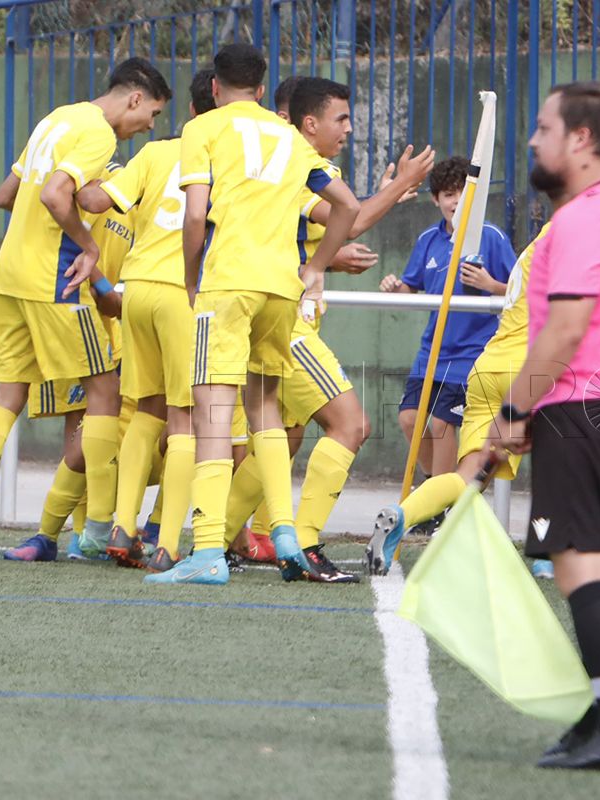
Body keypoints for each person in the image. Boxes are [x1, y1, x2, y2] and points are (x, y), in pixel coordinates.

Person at [367, 182, 600, 578]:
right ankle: (555, 552)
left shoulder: (539, 246)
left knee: (469, 474)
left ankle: (401, 514)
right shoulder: (569, 236)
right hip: (532, 368)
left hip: (489, 366)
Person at [488, 81, 600, 770]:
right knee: (597, 572)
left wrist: (514, 410)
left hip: (585, 410)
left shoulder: (586, 217)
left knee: (582, 568)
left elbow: (564, 329)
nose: (533, 140)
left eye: (543, 126)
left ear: (580, 140)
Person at [0, 58, 170, 558]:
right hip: (54, 280)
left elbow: (10, 194)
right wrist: (87, 245)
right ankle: (96, 529)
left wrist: (48, 221)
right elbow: (54, 194)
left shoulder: (56, 118)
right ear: (134, 98)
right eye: (151, 113)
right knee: (105, 390)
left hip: (10, 275)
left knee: (8, 394)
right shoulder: (98, 133)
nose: (149, 126)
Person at [152, 44, 358, 586]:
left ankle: (206, 553)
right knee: (265, 406)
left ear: (215, 88)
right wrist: (314, 267)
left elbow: (196, 213)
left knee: (213, 413)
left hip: (229, 283)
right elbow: (349, 205)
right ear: (264, 90)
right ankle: (286, 533)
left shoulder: (206, 129)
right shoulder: (288, 135)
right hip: (280, 289)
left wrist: (192, 276)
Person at [219, 75, 434, 583]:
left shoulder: (278, 160)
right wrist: (399, 186)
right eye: (341, 118)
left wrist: (329, 258)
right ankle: (307, 545)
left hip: (267, 313)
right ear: (307, 121)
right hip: (286, 326)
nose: (349, 128)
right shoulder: (290, 157)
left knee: (287, 434)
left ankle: (223, 539)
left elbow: (315, 231)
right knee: (351, 425)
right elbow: (348, 218)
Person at [72, 69, 218, 572]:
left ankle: (121, 525)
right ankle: (169, 544)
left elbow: (93, 199)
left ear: (192, 111)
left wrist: (72, 176)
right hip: (183, 294)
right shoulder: (229, 159)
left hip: (137, 293)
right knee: (186, 419)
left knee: (146, 411)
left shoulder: (155, 154)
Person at [4, 159, 137, 561]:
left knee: (105, 435)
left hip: (103, 325)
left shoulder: (148, 194)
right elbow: (11, 198)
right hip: (69, 314)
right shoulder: (95, 176)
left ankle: (101, 529)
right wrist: (95, 277)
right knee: (80, 434)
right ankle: (79, 533)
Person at [379, 155, 517, 535]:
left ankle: (440, 510)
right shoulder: (429, 240)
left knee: (442, 423)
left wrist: (490, 285)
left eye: (463, 193)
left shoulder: (491, 236)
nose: (455, 201)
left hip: (473, 353)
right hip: (432, 352)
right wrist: (396, 287)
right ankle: (434, 487)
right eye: (448, 194)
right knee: (409, 419)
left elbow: (521, 290)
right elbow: (412, 286)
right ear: (437, 199)